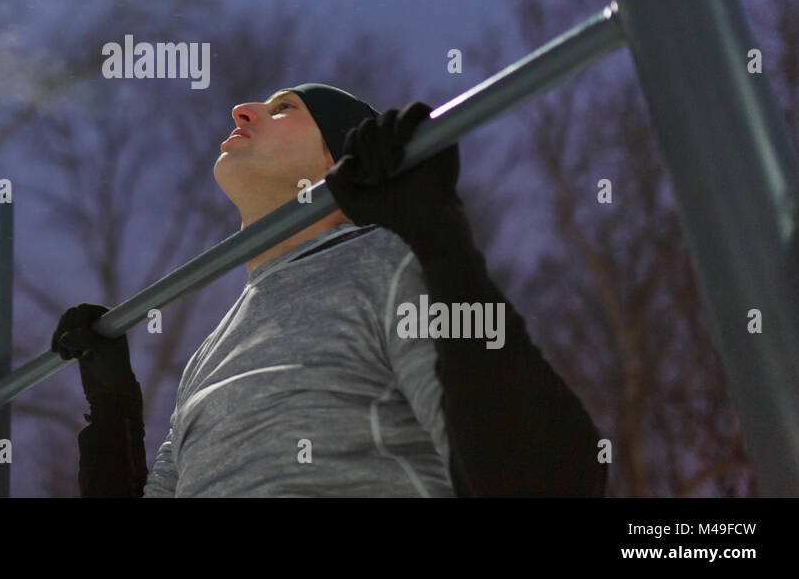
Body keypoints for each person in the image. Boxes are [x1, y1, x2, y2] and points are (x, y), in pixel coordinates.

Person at [52, 84, 606, 497]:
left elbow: (545, 481)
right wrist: (114, 416)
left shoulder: (387, 267)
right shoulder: (210, 353)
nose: (243, 111)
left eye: (285, 108)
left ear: (333, 162)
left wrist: (440, 243)